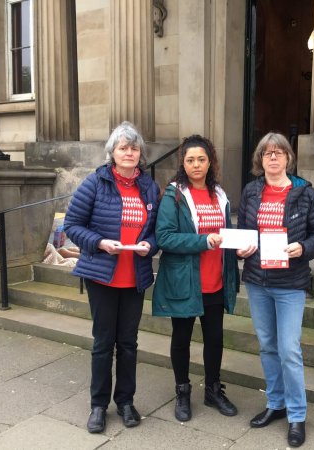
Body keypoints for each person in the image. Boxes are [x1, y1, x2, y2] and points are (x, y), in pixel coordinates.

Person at [64, 122, 160, 433]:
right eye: (123, 147)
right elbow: (73, 225)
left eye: (134, 148)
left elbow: (158, 230)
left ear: (140, 153)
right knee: (103, 343)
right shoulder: (96, 183)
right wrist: (100, 243)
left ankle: (126, 401)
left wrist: (151, 245)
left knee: (129, 343)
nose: (129, 152)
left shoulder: (148, 187)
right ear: (112, 153)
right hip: (103, 276)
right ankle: (98, 406)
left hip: (135, 276)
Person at [236, 132, 314, 448]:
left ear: (289, 157)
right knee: (267, 346)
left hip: (290, 283)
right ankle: (276, 404)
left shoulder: (305, 193)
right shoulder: (251, 191)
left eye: (278, 152)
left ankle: (297, 415)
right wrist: (241, 249)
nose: (272, 158)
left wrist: (303, 248)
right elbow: (245, 231)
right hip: (257, 280)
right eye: (266, 153)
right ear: (260, 160)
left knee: (289, 349)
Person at [152, 134, 239, 422]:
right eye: (190, 160)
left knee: (215, 338)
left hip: (216, 279)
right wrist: (202, 241)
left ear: (210, 161)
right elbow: (164, 238)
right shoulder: (173, 195)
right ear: (183, 164)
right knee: (182, 338)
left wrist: (239, 248)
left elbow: (226, 236)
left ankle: (213, 390)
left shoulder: (221, 195)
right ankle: (183, 392)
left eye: (201, 159)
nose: (196, 165)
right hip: (186, 280)